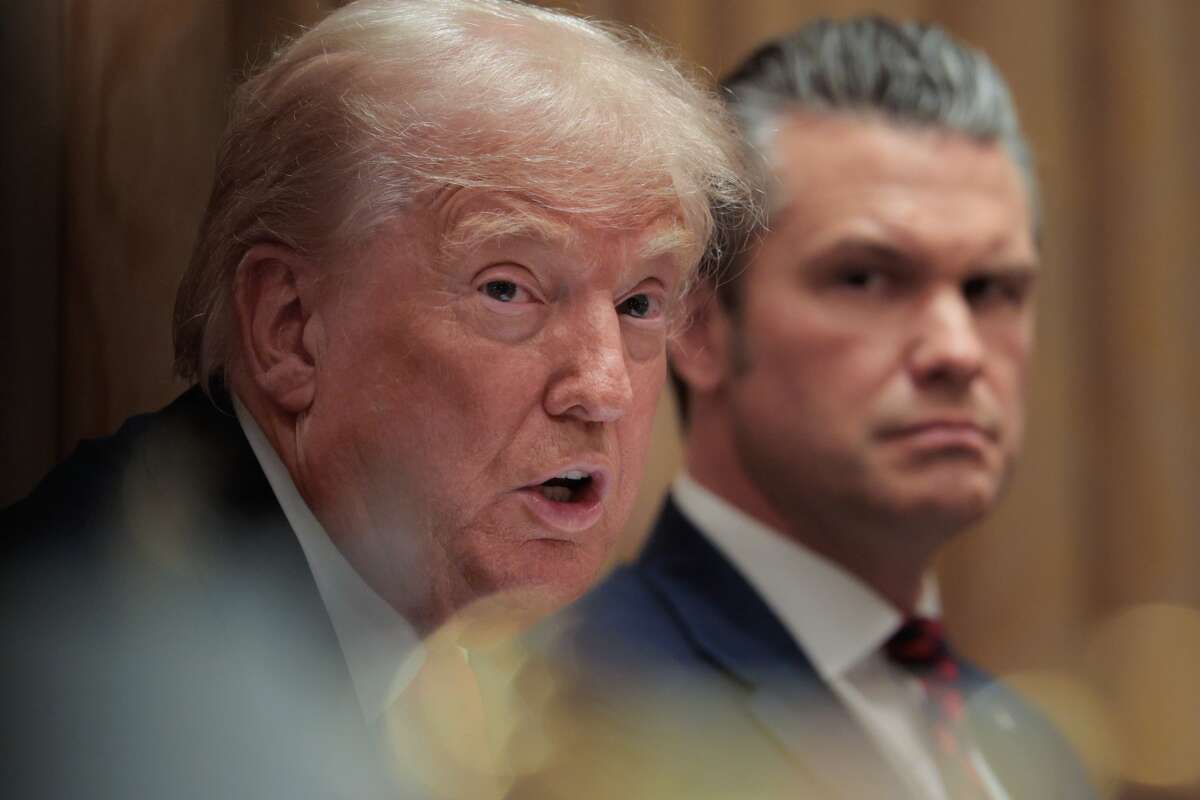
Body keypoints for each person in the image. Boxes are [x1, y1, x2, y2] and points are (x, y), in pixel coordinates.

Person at [0, 1, 752, 797]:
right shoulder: (112, 676)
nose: (604, 388)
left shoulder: (467, 666)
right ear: (290, 329)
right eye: (509, 290)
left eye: (640, 304)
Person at [518, 17, 1096, 800]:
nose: (958, 350)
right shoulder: (572, 716)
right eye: (866, 279)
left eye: (991, 289)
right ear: (698, 327)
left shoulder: (1036, 745)